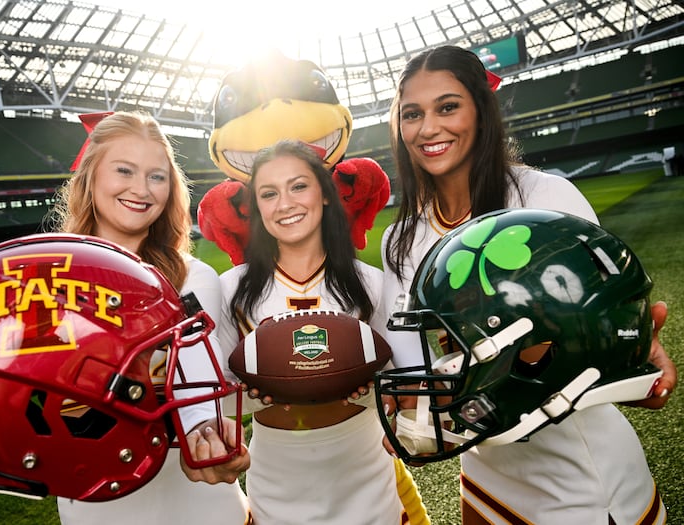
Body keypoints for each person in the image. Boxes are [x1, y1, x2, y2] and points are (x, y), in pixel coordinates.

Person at [0, 110, 252, 524]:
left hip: (205, 513)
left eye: (157, 176)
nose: (142, 189)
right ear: (90, 177)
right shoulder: (38, 278)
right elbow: (9, 389)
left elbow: (194, 391)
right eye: (124, 170)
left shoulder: (193, 276)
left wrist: (204, 436)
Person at [380, 44, 677, 525]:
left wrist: (637, 348)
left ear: (482, 111)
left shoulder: (544, 196)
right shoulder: (402, 239)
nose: (428, 128)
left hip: (580, 471)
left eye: (448, 107)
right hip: (485, 469)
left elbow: (597, 324)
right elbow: (421, 373)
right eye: (412, 113)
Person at [217, 139, 429, 524]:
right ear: (257, 207)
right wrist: (255, 395)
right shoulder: (230, 288)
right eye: (269, 193)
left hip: (365, 470)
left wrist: (369, 394)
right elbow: (216, 396)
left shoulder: (372, 284)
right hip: (277, 475)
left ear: (325, 194)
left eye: (298, 186)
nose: (285, 203)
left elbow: (405, 386)